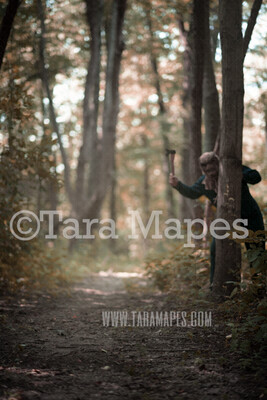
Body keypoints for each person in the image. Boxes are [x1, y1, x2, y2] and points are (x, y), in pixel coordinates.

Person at [169, 151, 265, 287]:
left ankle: (260, 288)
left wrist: (239, 175)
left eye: (211, 163)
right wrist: (177, 184)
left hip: (250, 216)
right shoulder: (204, 182)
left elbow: (256, 177)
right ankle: (215, 285)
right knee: (216, 249)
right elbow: (191, 193)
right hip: (226, 221)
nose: (208, 168)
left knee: (256, 252)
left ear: (217, 162)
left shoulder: (233, 170)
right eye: (204, 165)